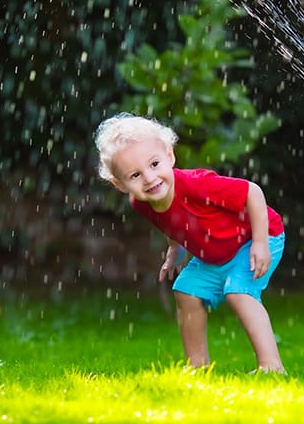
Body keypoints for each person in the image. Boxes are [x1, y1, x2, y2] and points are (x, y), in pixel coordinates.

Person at [94, 112, 286, 374]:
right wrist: (175, 248)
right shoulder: (140, 202)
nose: (150, 179)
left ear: (170, 157)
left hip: (258, 236)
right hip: (216, 253)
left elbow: (252, 192)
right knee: (185, 290)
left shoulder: (197, 186)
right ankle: (198, 367)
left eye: (154, 164)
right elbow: (171, 221)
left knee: (239, 292)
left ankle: (272, 367)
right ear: (120, 184)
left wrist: (261, 243)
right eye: (135, 175)